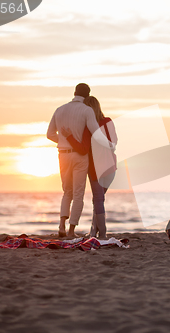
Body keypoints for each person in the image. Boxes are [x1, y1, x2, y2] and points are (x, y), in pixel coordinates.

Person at [46, 83, 113, 238]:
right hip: (79, 156)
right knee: (78, 194)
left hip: (62, 154)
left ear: (74, 92)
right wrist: (110, 145)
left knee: (67, 192)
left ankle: (61, 226)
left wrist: (63, 142)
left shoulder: (59, 109)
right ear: (87, 95)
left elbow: (49, 134)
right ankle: (71, 231)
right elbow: (96, 134)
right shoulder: (87, 110)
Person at [60, 96, 117, 239]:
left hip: (95, 169)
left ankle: (102, 234)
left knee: (98, 199)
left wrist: (69, 137)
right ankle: (94, 231)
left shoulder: (88, 128)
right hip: (111, 167)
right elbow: (114, 142)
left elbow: (82, 149)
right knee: (98, 199)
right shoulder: (108, 121)